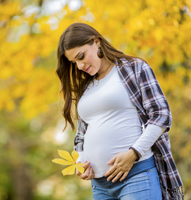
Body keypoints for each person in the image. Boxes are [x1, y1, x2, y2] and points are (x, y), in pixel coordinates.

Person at [56, 23, 184, 200]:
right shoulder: (86, 87)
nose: (79, 66)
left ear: (96, 42)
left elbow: (160, 114)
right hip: (100, 186)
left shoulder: (134, 68)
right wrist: (82, 162)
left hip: (136, 177)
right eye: (74, 62)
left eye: (81, 56)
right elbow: (81, 136)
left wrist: (134, 153)